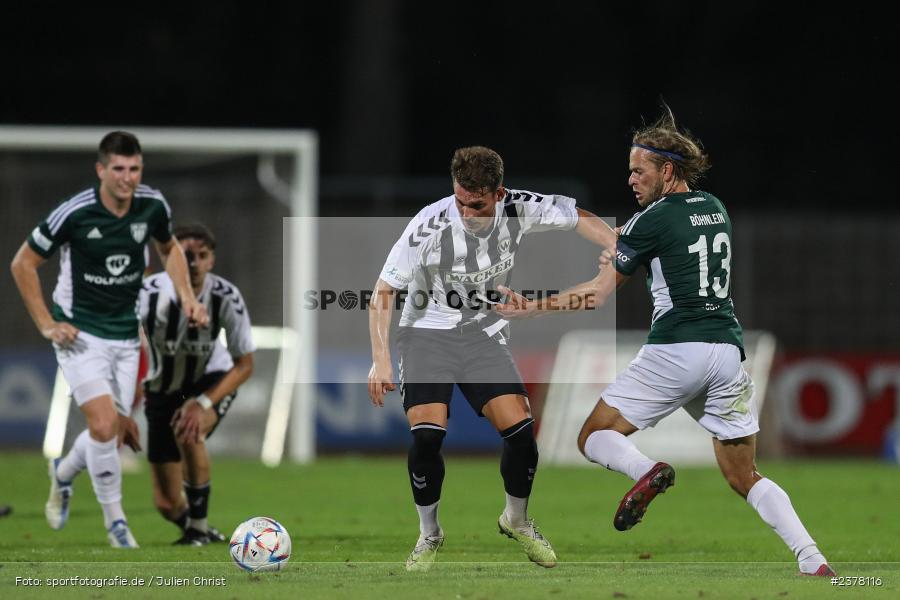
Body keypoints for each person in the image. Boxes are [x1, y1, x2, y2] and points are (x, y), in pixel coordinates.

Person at [496, 107, 835, 576]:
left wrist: (530, 307)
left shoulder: (649, 221)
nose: (631, 179)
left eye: (640, 170)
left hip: (677, 349)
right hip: (727, 354)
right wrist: (626, 242)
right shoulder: (714, 208)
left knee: (594, 436)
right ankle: (813, 559)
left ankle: (647, 471)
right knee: (744, 475)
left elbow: (597, 295)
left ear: (668, 171)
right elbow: (668, 243)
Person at [368, 146, 617, 571]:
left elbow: (578, 217)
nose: (466, 213)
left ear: (499, 194)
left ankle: (516, 520)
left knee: (521, 433)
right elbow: (383, 291)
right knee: (427, 436)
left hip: (483, 335)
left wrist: (614, 244)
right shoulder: (428, 224)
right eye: (460, 201)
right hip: (426, 335)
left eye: (477, 205)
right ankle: (429, 533)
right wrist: (381, 360)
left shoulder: (519, 207)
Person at [9, 131, 207, 548]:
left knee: (110, 433)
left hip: (125, 335)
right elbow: (23, 263)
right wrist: (46, 324)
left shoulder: (152, 205)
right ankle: (117, 525)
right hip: (79, 333)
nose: (127, 177)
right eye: (118, 168)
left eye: (134, 169)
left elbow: (169, 248)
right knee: (103, 424)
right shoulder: (75, 212)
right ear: (101, 170)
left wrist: (187, 297)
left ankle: (63, 472)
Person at [138, 223, 255, 545]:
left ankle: (198, 531)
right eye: (186, 255)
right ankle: (199, 527)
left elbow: (245, 365)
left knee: (189, 429)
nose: (193, 263)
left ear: (211, 261)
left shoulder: (226, 297)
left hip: (209, 378)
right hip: (161, 388)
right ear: (170, 257)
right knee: (166, 503)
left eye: (202, 256)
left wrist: (202, 403)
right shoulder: (146, 295)